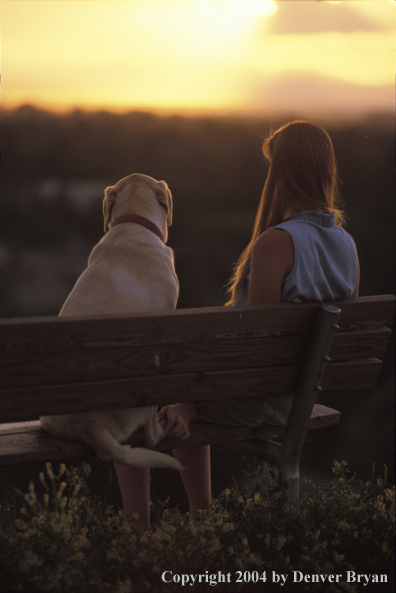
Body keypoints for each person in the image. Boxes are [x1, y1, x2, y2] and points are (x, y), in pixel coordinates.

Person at [116, 120, 360, 528]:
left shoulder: (276, 243)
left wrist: (192, 403)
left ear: (282, 172)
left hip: (258, 397)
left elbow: (252, 347)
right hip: (299, 395)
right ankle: (201, 521)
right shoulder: (346, 244)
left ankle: (145, 534)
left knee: (133, 410)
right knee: (176, 401)